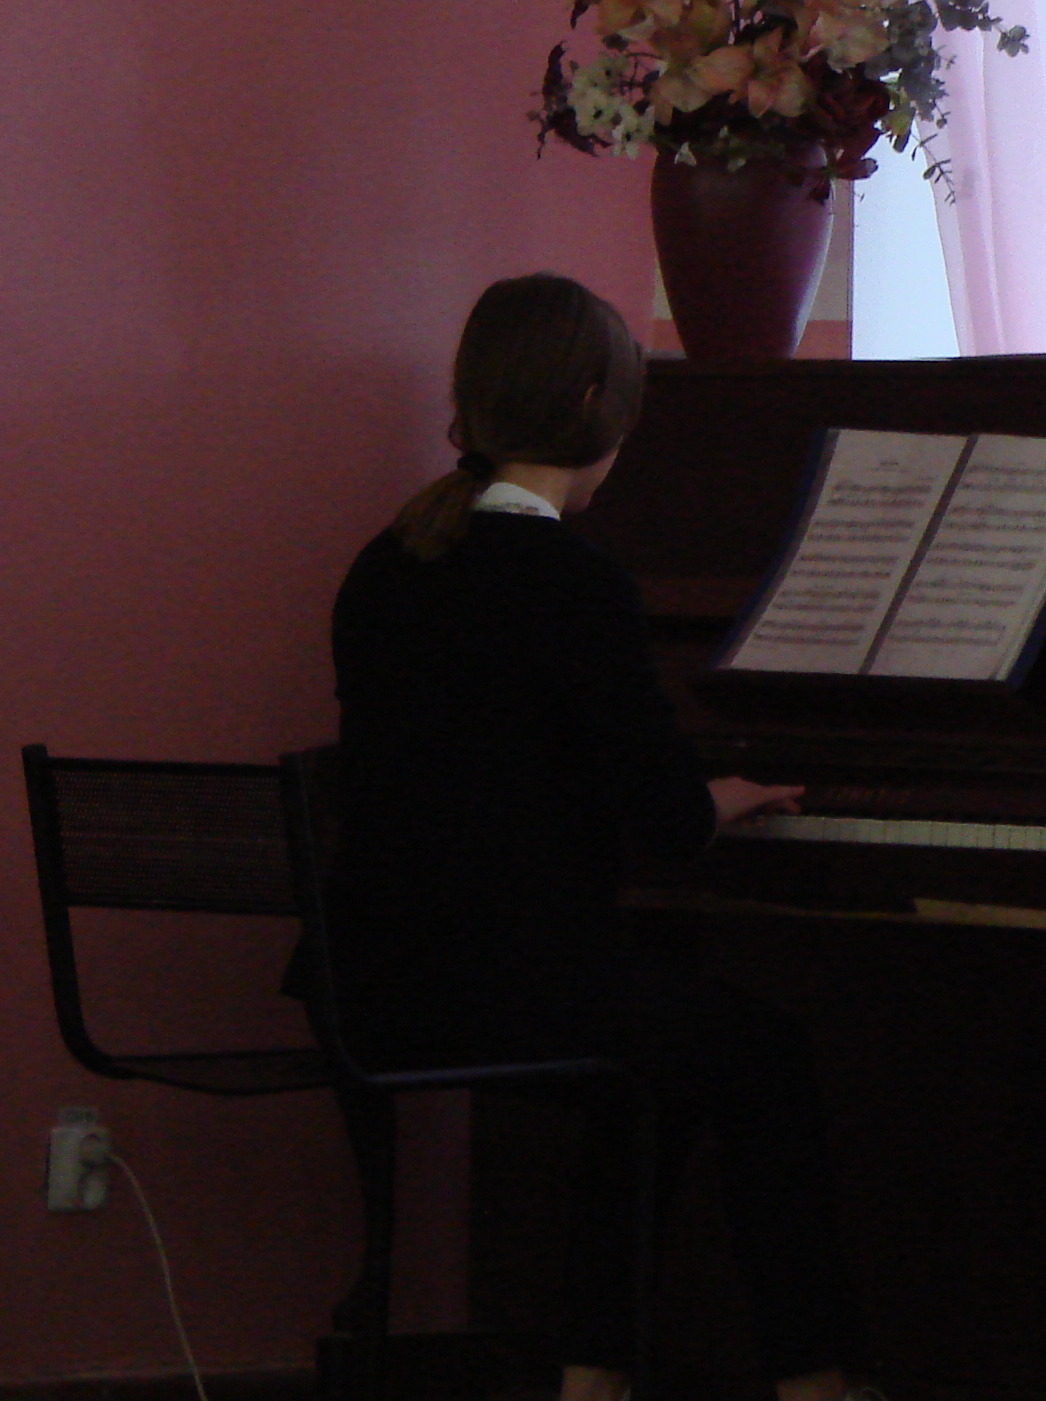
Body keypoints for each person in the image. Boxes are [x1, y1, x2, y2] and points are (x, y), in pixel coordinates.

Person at [328, 273, 875, 1401]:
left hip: (373, 978)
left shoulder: (383, 565)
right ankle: (815, 1379)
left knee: (661, 1040)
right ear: (593, 404)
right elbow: (667, 820)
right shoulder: (574, 582)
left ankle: (595, 1373)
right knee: (760, 1050)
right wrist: (724, 795)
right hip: (511, 988)